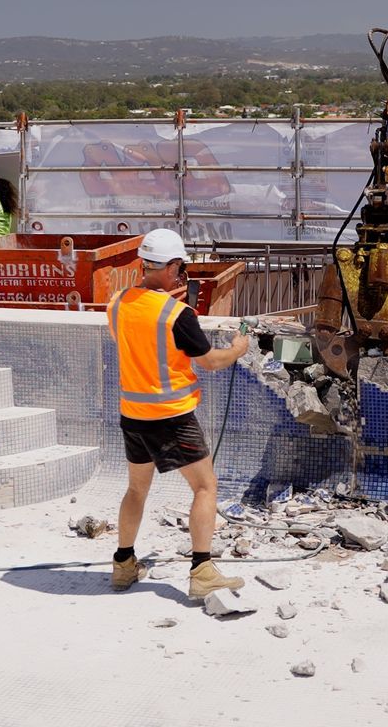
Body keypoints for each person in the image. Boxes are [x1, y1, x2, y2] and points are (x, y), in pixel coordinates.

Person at [107, 228, 252, 600]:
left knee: (137, 489)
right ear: (172, 267)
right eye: (180, 266)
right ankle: (202, 571)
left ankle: (124, 565)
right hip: (170, 416)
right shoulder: (177, 314)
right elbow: (211, 362)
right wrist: (237, 349)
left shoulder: (118, 303)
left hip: (132, 414)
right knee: (205, 487)